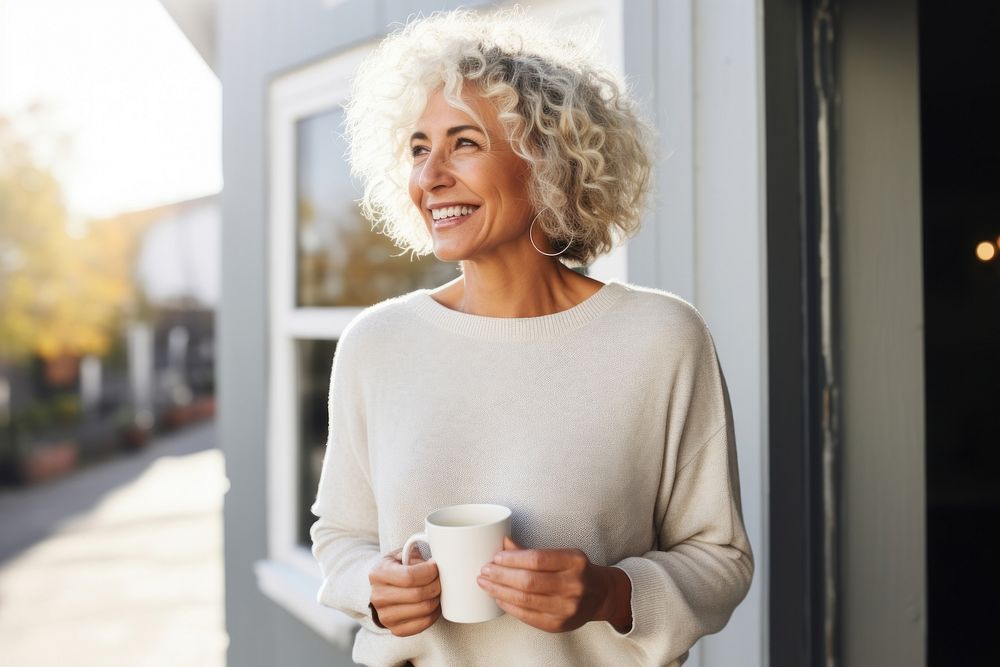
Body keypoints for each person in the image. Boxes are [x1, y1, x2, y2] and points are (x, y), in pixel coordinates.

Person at [310, 8, 753, 666]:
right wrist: (372, 589)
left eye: (463, 142)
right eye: (417, 147)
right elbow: (340, 535)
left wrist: (611, 592)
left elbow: (720, 558)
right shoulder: (376, 344)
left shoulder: (662, 340)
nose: (430, 175)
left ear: (548, 159)